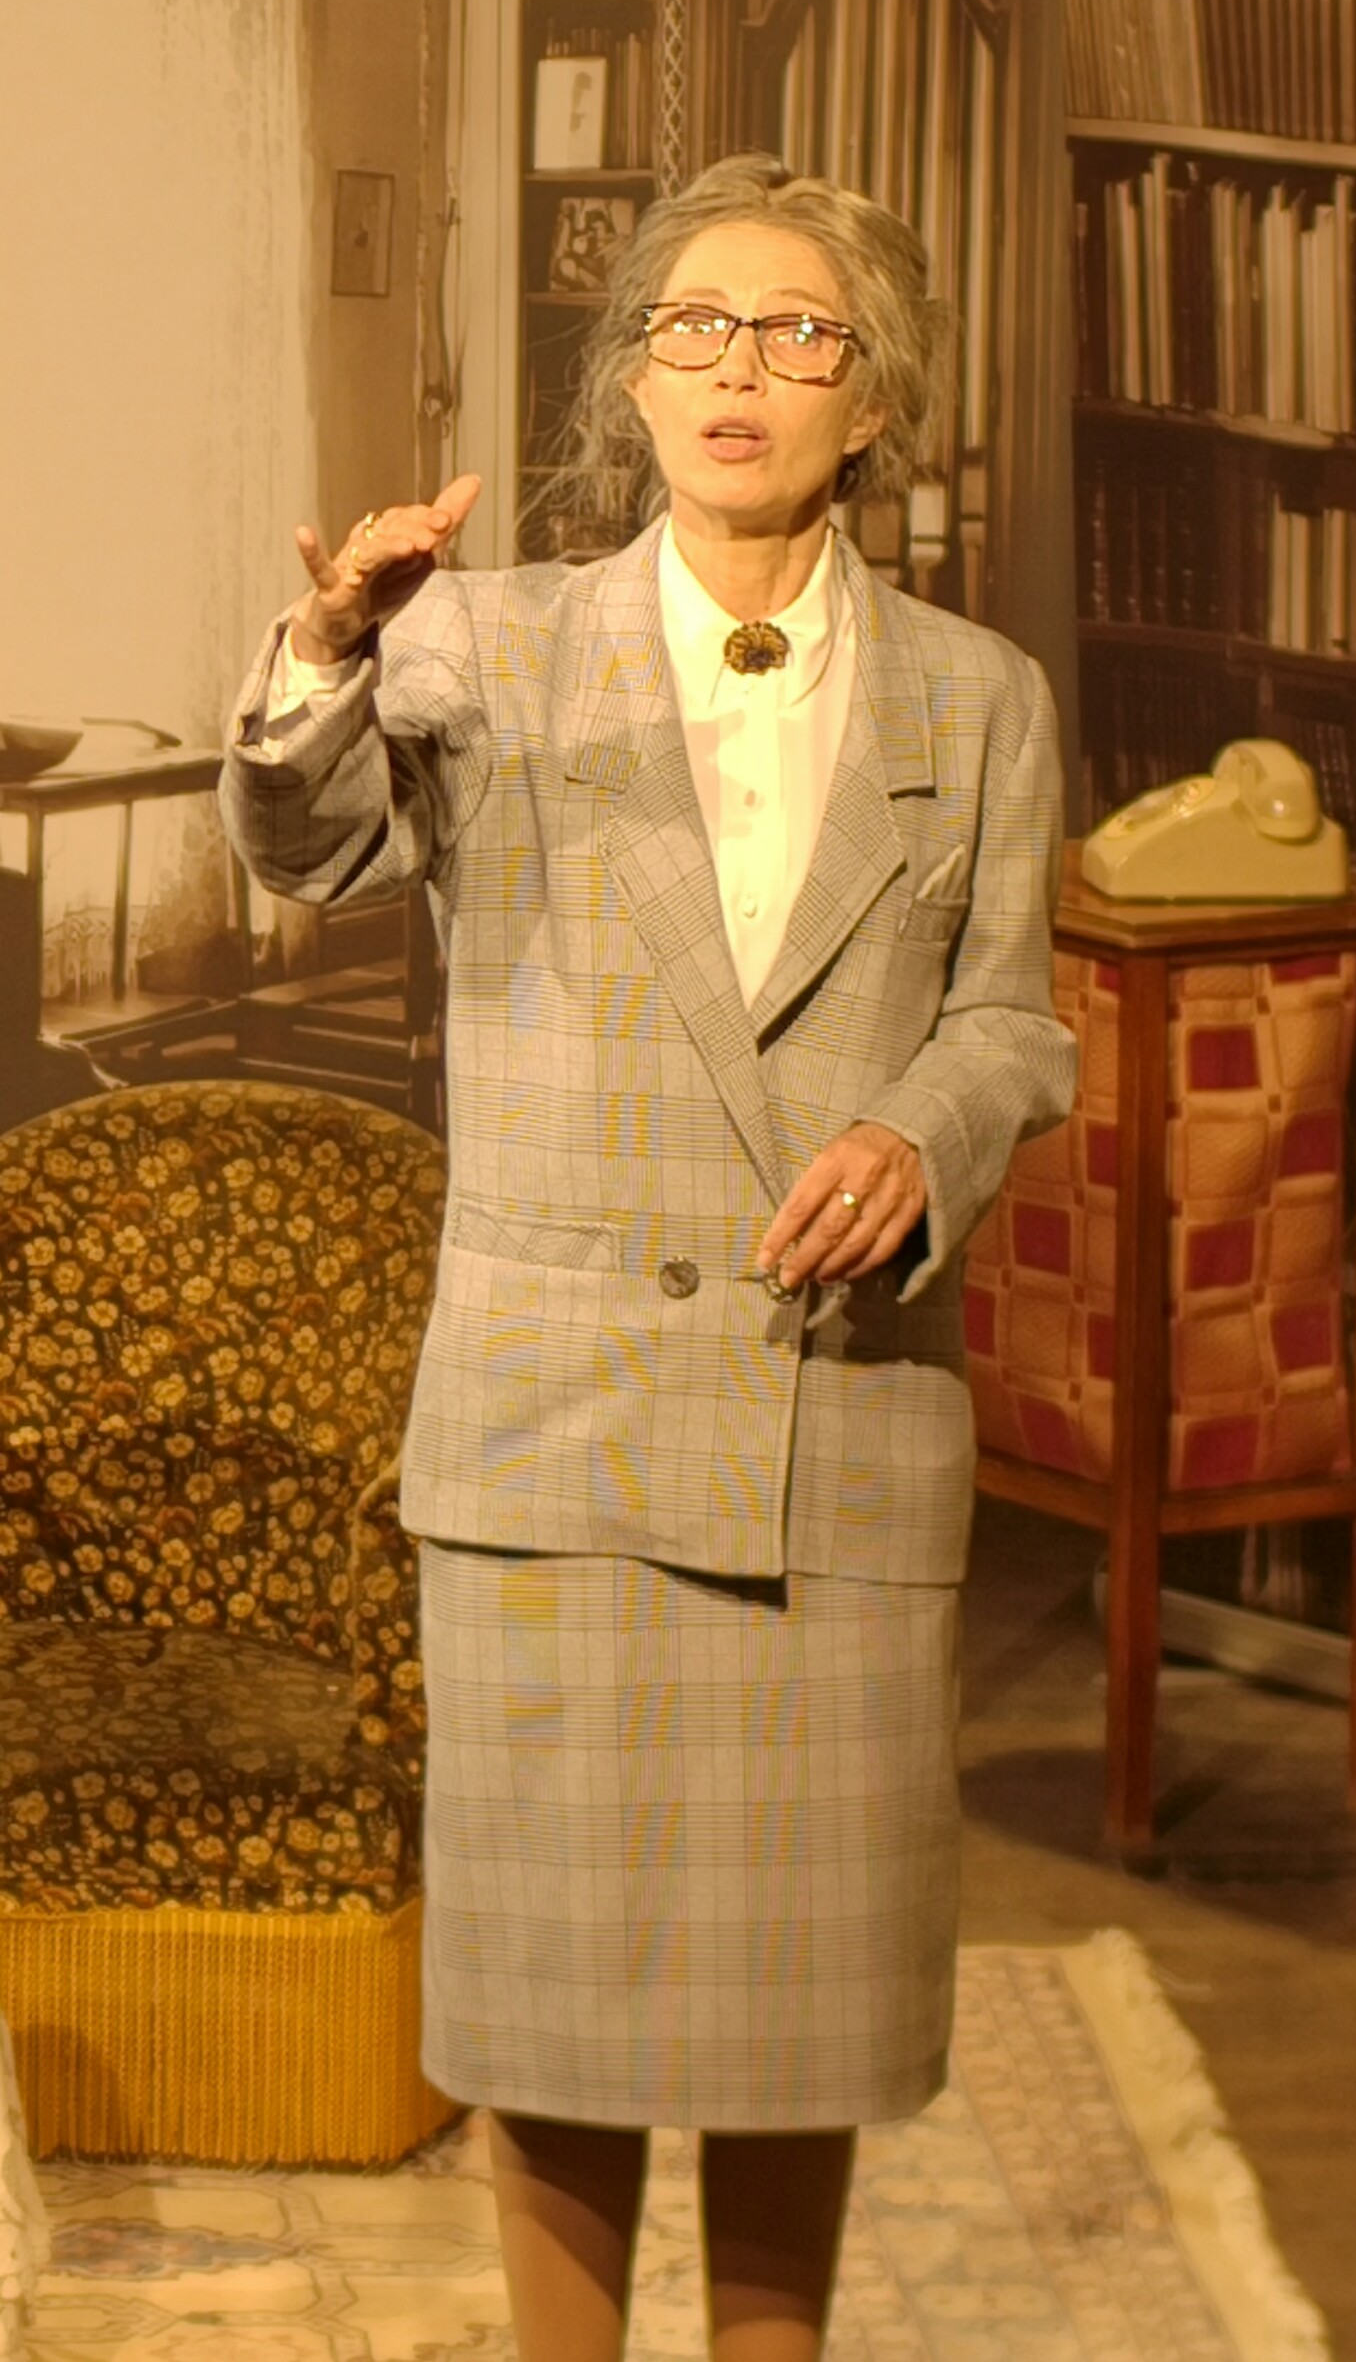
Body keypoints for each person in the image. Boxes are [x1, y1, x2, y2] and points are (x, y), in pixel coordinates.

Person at [221, 154, 1075, 2362]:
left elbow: (1011, 1015)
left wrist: (919, 1123)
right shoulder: (489, 643)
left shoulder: (976, 697)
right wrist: (327, 644)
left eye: (800, 332)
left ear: (867, 396)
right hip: (555, 1440)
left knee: (805, 2025)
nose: (743, 367)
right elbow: (303, 847)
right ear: (632, 379)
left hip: (834, 1427)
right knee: (565, 2015)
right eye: (696, 324)